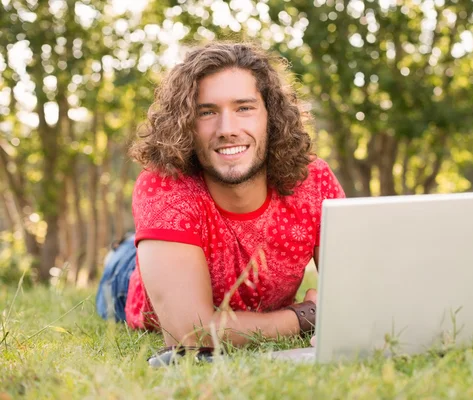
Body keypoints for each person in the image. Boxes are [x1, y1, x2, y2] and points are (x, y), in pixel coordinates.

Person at [96, 42, 345, 349]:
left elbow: (356, 294)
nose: (227, 128)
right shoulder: (163, 186)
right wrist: (305, 317)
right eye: (207, 112)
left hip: (181, 247)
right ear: (186, 123)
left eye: (244, 108)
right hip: (130, 282)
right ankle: (125, 249)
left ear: (272, 115)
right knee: (124, 265)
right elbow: (189, 332)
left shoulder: (314, 180)